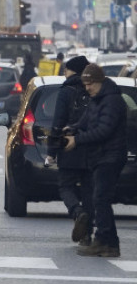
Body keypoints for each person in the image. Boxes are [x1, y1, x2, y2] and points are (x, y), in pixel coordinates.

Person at [64, 63, 128, 257]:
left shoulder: (112, 101)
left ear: (100, 81)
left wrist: (77, 139)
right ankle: (110, 244)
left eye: (90, 84)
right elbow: (87, 121)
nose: (87, 88)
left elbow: (103, 131)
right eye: (85, 84)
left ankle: (102, 241)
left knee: (100, 198)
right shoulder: (97, 99)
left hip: (111, 155)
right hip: (101, 156)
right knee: (100, 198)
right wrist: (73, 128)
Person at [47, 55, 92, 242]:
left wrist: (51, 152)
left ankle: (77, 211)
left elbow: (57, 123)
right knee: (89, 190)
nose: (64, 72)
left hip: (69, 147)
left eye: (66, 69)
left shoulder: (66, 91)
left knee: (66, 186)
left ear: (73, 70)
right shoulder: (93, 89)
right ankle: (88, 235)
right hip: (91, 147)